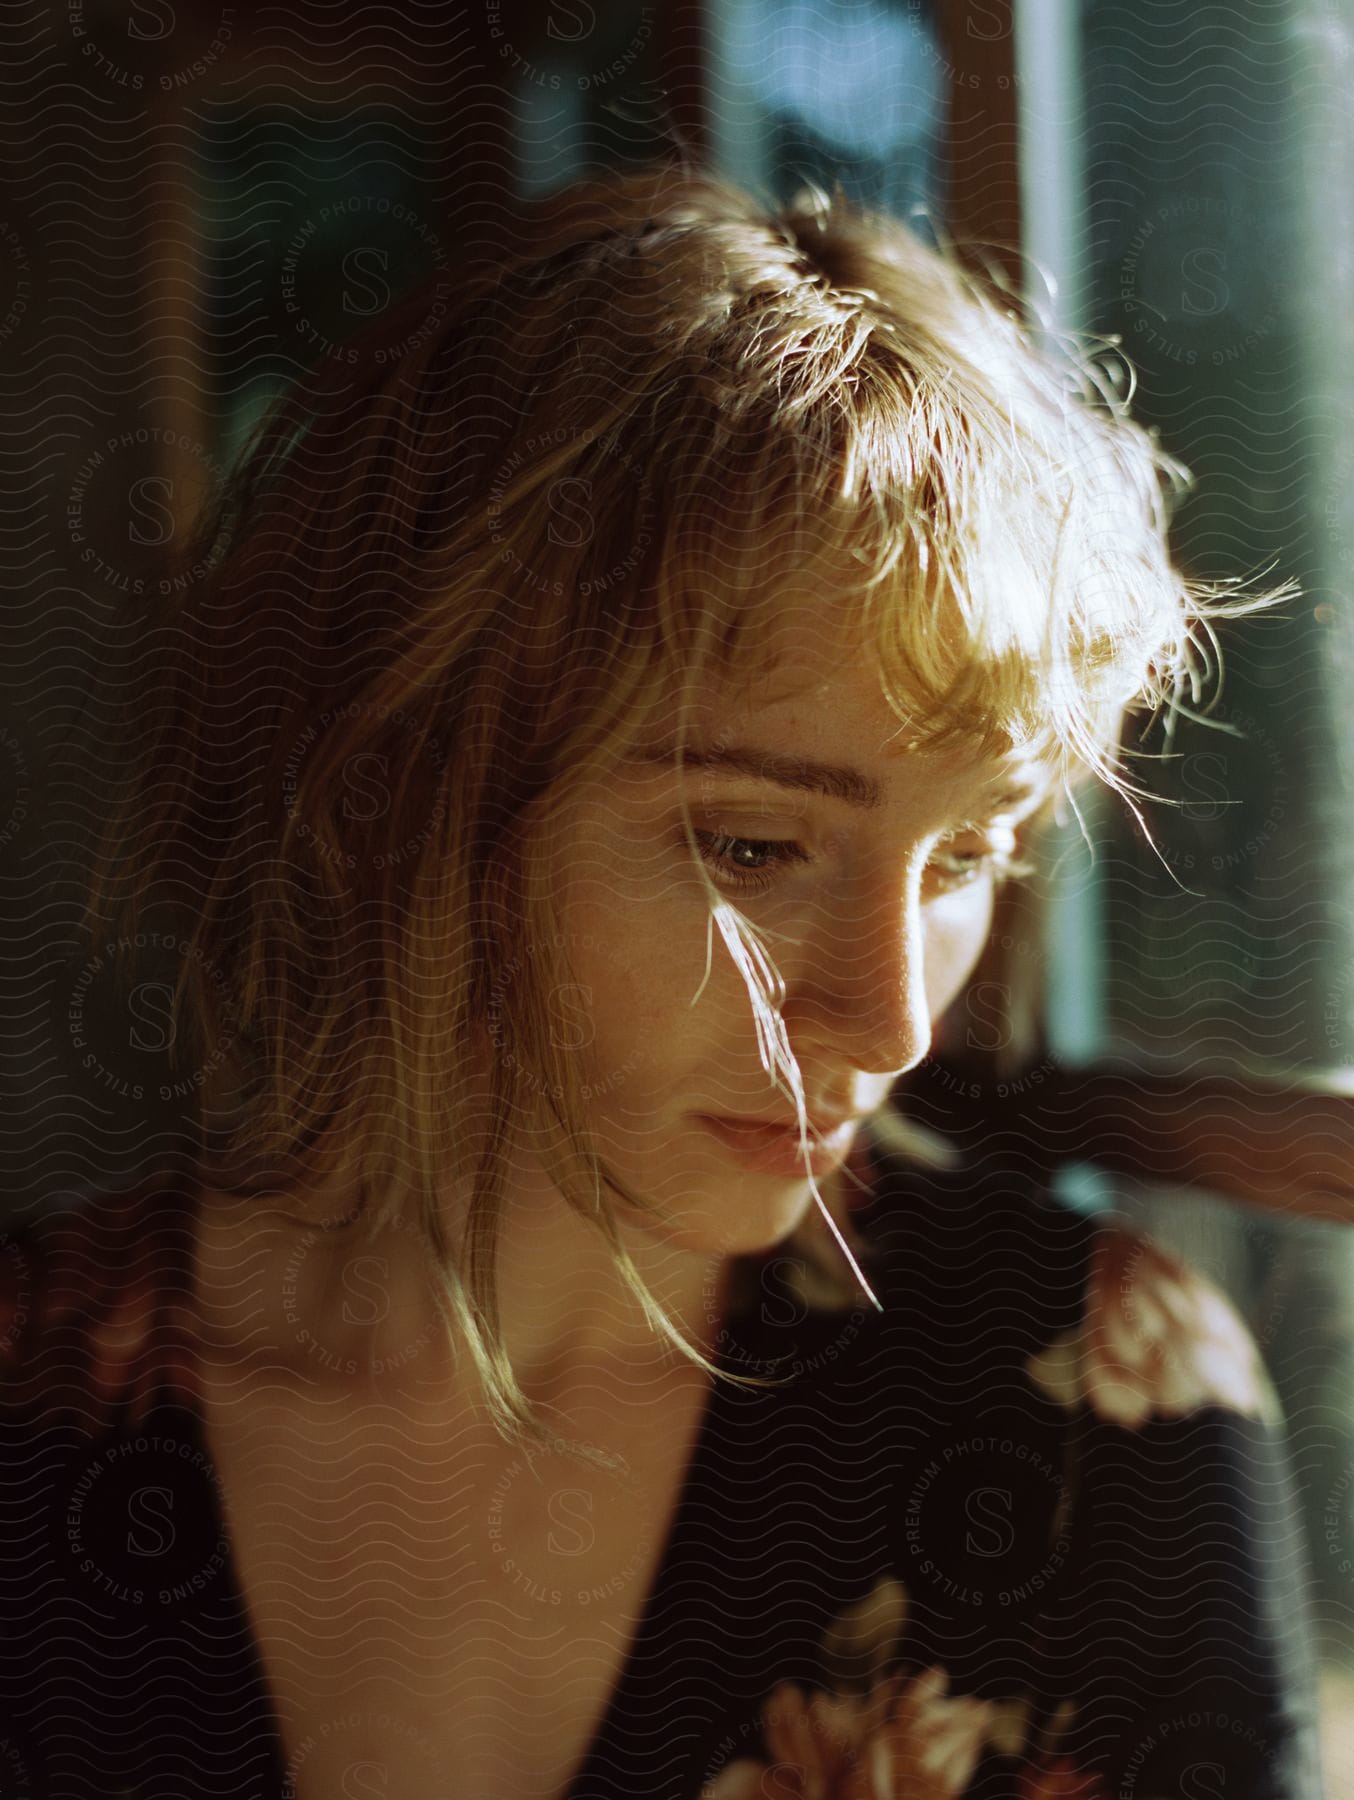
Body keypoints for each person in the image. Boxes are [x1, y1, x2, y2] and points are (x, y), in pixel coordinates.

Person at [0, 164, 1326, 1798]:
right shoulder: (27, 1401)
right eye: (753, 850)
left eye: (968, 854)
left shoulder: (1088, 1412)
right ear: (395, 785)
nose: (893, 1019)